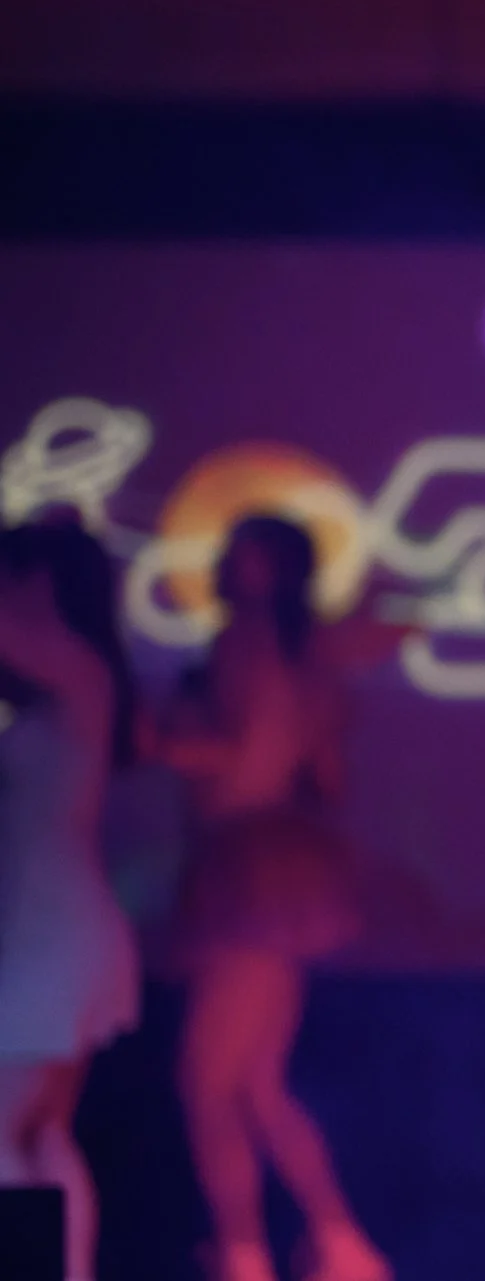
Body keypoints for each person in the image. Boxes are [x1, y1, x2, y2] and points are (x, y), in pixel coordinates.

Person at [144, 516, 393, 1281]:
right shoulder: (306, 653)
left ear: (269, 570)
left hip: (246, 865)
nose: (223, 561)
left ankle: (246, 1252)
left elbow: (234, 747)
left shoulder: (242, 639)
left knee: (209, 1084)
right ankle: (338, 1243)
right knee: (255, 1085)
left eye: (240, 553)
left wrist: (153, 741)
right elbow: (329, 776)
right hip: (277, 864)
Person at [0, 521, 142, 1281]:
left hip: (52, 927)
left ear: (41, 579)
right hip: (60, 922)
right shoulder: (75, 670)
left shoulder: (71, 662)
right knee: (46, 1132)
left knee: (8, 1135)